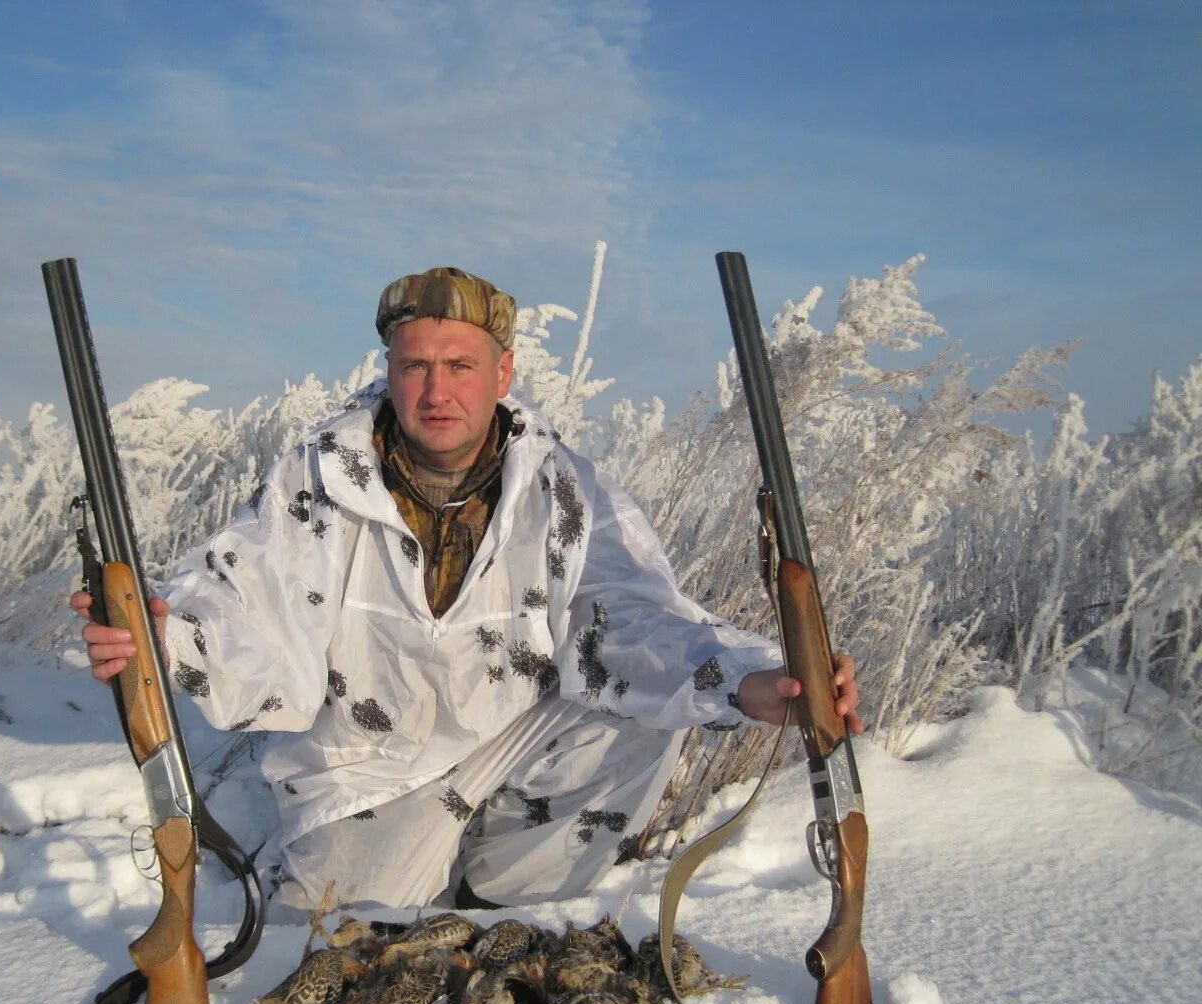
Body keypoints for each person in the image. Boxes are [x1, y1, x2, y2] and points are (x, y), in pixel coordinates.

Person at [74, 266, 861, 911]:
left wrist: (753, 680)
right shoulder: (316, 479)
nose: (436, 392)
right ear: (389, 370)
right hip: (370, 767)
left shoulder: (566, 491)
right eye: (415, 366)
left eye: (460, 367)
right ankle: (409, 870)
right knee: (330, 938)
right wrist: (167, 637)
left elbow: (627, 620)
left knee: (648, 714)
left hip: (514, 728)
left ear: (504, 372)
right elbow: (249, 596)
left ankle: (505, 905)